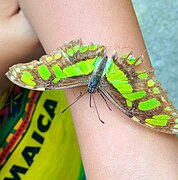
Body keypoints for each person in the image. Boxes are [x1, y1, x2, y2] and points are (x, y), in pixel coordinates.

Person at [1, 0, 178, 179]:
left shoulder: (76, 82)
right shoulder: (98, 88)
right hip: (67, 161)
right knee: (129, 106)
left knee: (55, 81)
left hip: (76, 143)